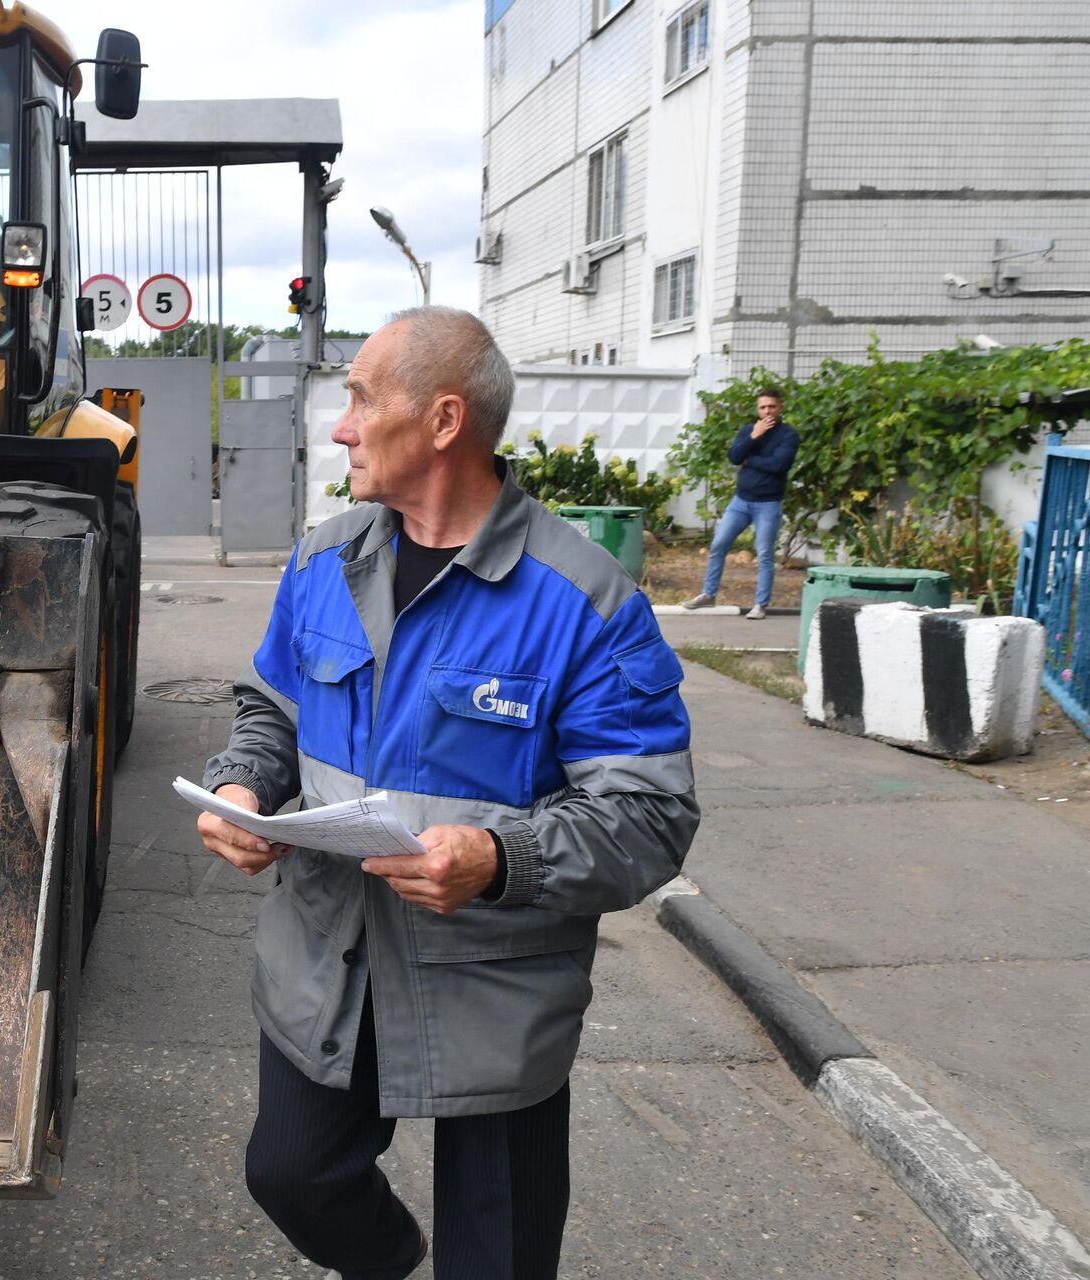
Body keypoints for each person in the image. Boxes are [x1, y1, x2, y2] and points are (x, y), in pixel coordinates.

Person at [196, 307, 699, 1280]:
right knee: (291, 1172)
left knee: (501, 1258)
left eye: (361, 398)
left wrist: (502, 858)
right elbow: (272, 707)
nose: (341, 426)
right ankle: (387, 1260)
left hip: (495, 985)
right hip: (326, 958)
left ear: (441, 421)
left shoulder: (585, 602)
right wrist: (243, 782)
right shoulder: (322, 561)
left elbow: (650, 813)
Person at [683, 387, 800, 619]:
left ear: (780, 408)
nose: (767, 411)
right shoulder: (749, 430)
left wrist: (751, 460)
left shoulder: (788, 435)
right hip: (741, 501)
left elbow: (779, 465)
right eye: (763, 407)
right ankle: (708, 594)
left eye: (772, 406)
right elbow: (734, 457)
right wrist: (753, 437)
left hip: (768, 503)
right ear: (757, 409)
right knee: (718, 545)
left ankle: (760, 604)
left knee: (764, 554)